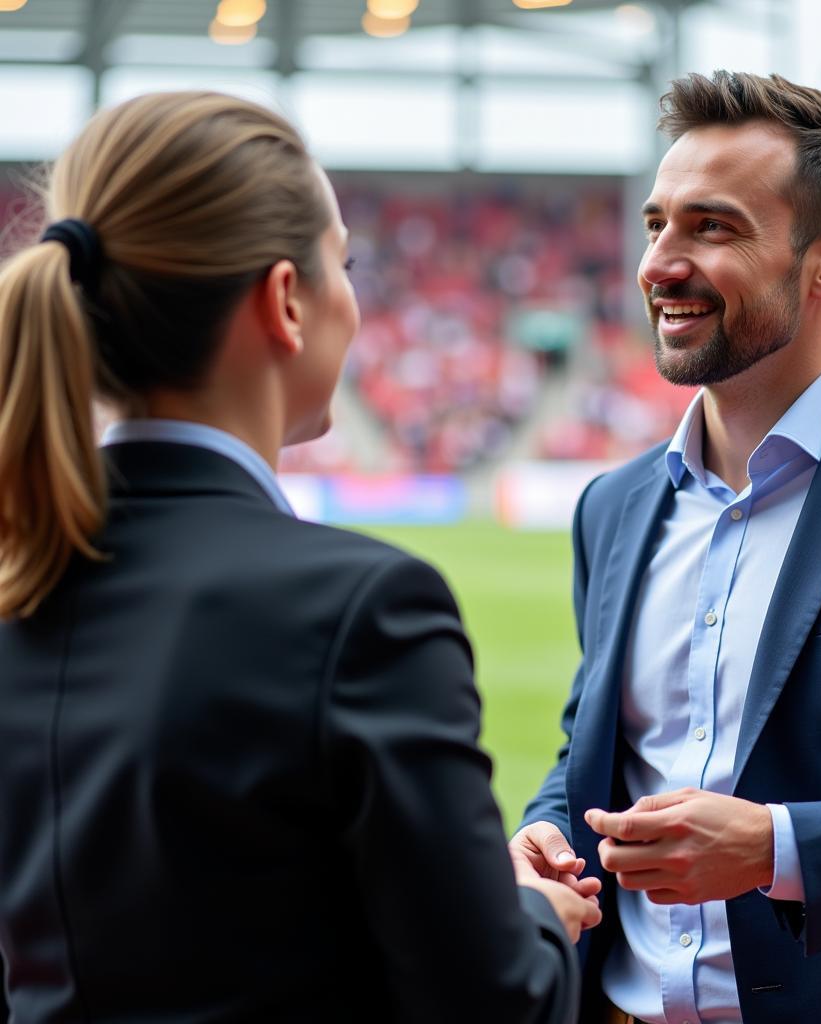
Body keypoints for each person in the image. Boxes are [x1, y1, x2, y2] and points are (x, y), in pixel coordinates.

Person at [0, 90, 601, 1023]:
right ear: (286, 300)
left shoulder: (18, 583)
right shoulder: (361, 608)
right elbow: (493, 1004)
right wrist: (533, 914)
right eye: (344, 265)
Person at [510, 70, 821, 1024]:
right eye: (657, 223)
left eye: (712, 228)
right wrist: (547, 831)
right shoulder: (612, 507)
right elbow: (608, 754)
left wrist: (782, 849)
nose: (660, 263)